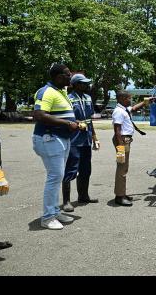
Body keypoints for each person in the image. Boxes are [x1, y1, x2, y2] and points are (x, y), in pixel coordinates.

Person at [32, 63, 84, 230]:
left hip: (61, 138)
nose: (71, 77)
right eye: (68, 74)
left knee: (57, 176)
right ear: (59, 76)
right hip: (50, 138)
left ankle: (54, 212)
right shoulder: (46, 91)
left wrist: (72, 123)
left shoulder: (61, 91)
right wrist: (67, 123)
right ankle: (47, 218)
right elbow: (39, 115)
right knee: (54, 177)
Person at [61, 74, 100, 212]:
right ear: (76, 84)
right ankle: (66, 201)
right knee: (70, 169)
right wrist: (77, 123)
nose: (86, 85)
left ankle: (83, 196)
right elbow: (66, 118)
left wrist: (95, 138)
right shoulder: (68, 99)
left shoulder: (88, 98)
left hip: (86, 139)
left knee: (86, 170)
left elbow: (89, 120)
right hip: (74, 139)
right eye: (83, 83)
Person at [112, 91, 150, 206]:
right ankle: (119, 196)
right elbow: (117, 130)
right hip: (122, 140)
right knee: (122, 168)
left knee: (124, 168)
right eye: (129, 98)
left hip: (125, 140)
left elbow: (133, 108)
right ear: (123, 99)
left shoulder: (124, 109)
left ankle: (122, 193)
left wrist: (145, 102)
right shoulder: (118, 111)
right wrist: (120, 148)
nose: (130, 100)